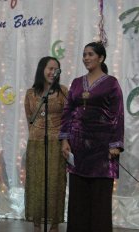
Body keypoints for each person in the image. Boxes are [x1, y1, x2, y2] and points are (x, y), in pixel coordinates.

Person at [59, 42, 124, 232]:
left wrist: (116, 144)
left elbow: (118, 114)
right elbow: (68, 111)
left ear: (101, 58)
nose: (86, 58)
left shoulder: (111, 83)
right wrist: (65, 140)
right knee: (78, 198)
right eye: (84, 54)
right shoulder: (77, 82)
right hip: (78, 146)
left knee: (100, 198)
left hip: (103, 148)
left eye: (90, 54)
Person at [24, 56, 68, 232]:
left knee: (56, 183)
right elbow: (29, 119)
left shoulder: (64, 91)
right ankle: (37, 224)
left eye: (56, 69)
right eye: (50, 68)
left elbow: (69, 119)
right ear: (42, 69)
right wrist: (36, 135)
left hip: (57, 143)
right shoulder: (30, 93)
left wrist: (65, 140)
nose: (53, 72)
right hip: (35, 143)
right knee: (36, 183)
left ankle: (54, 224)